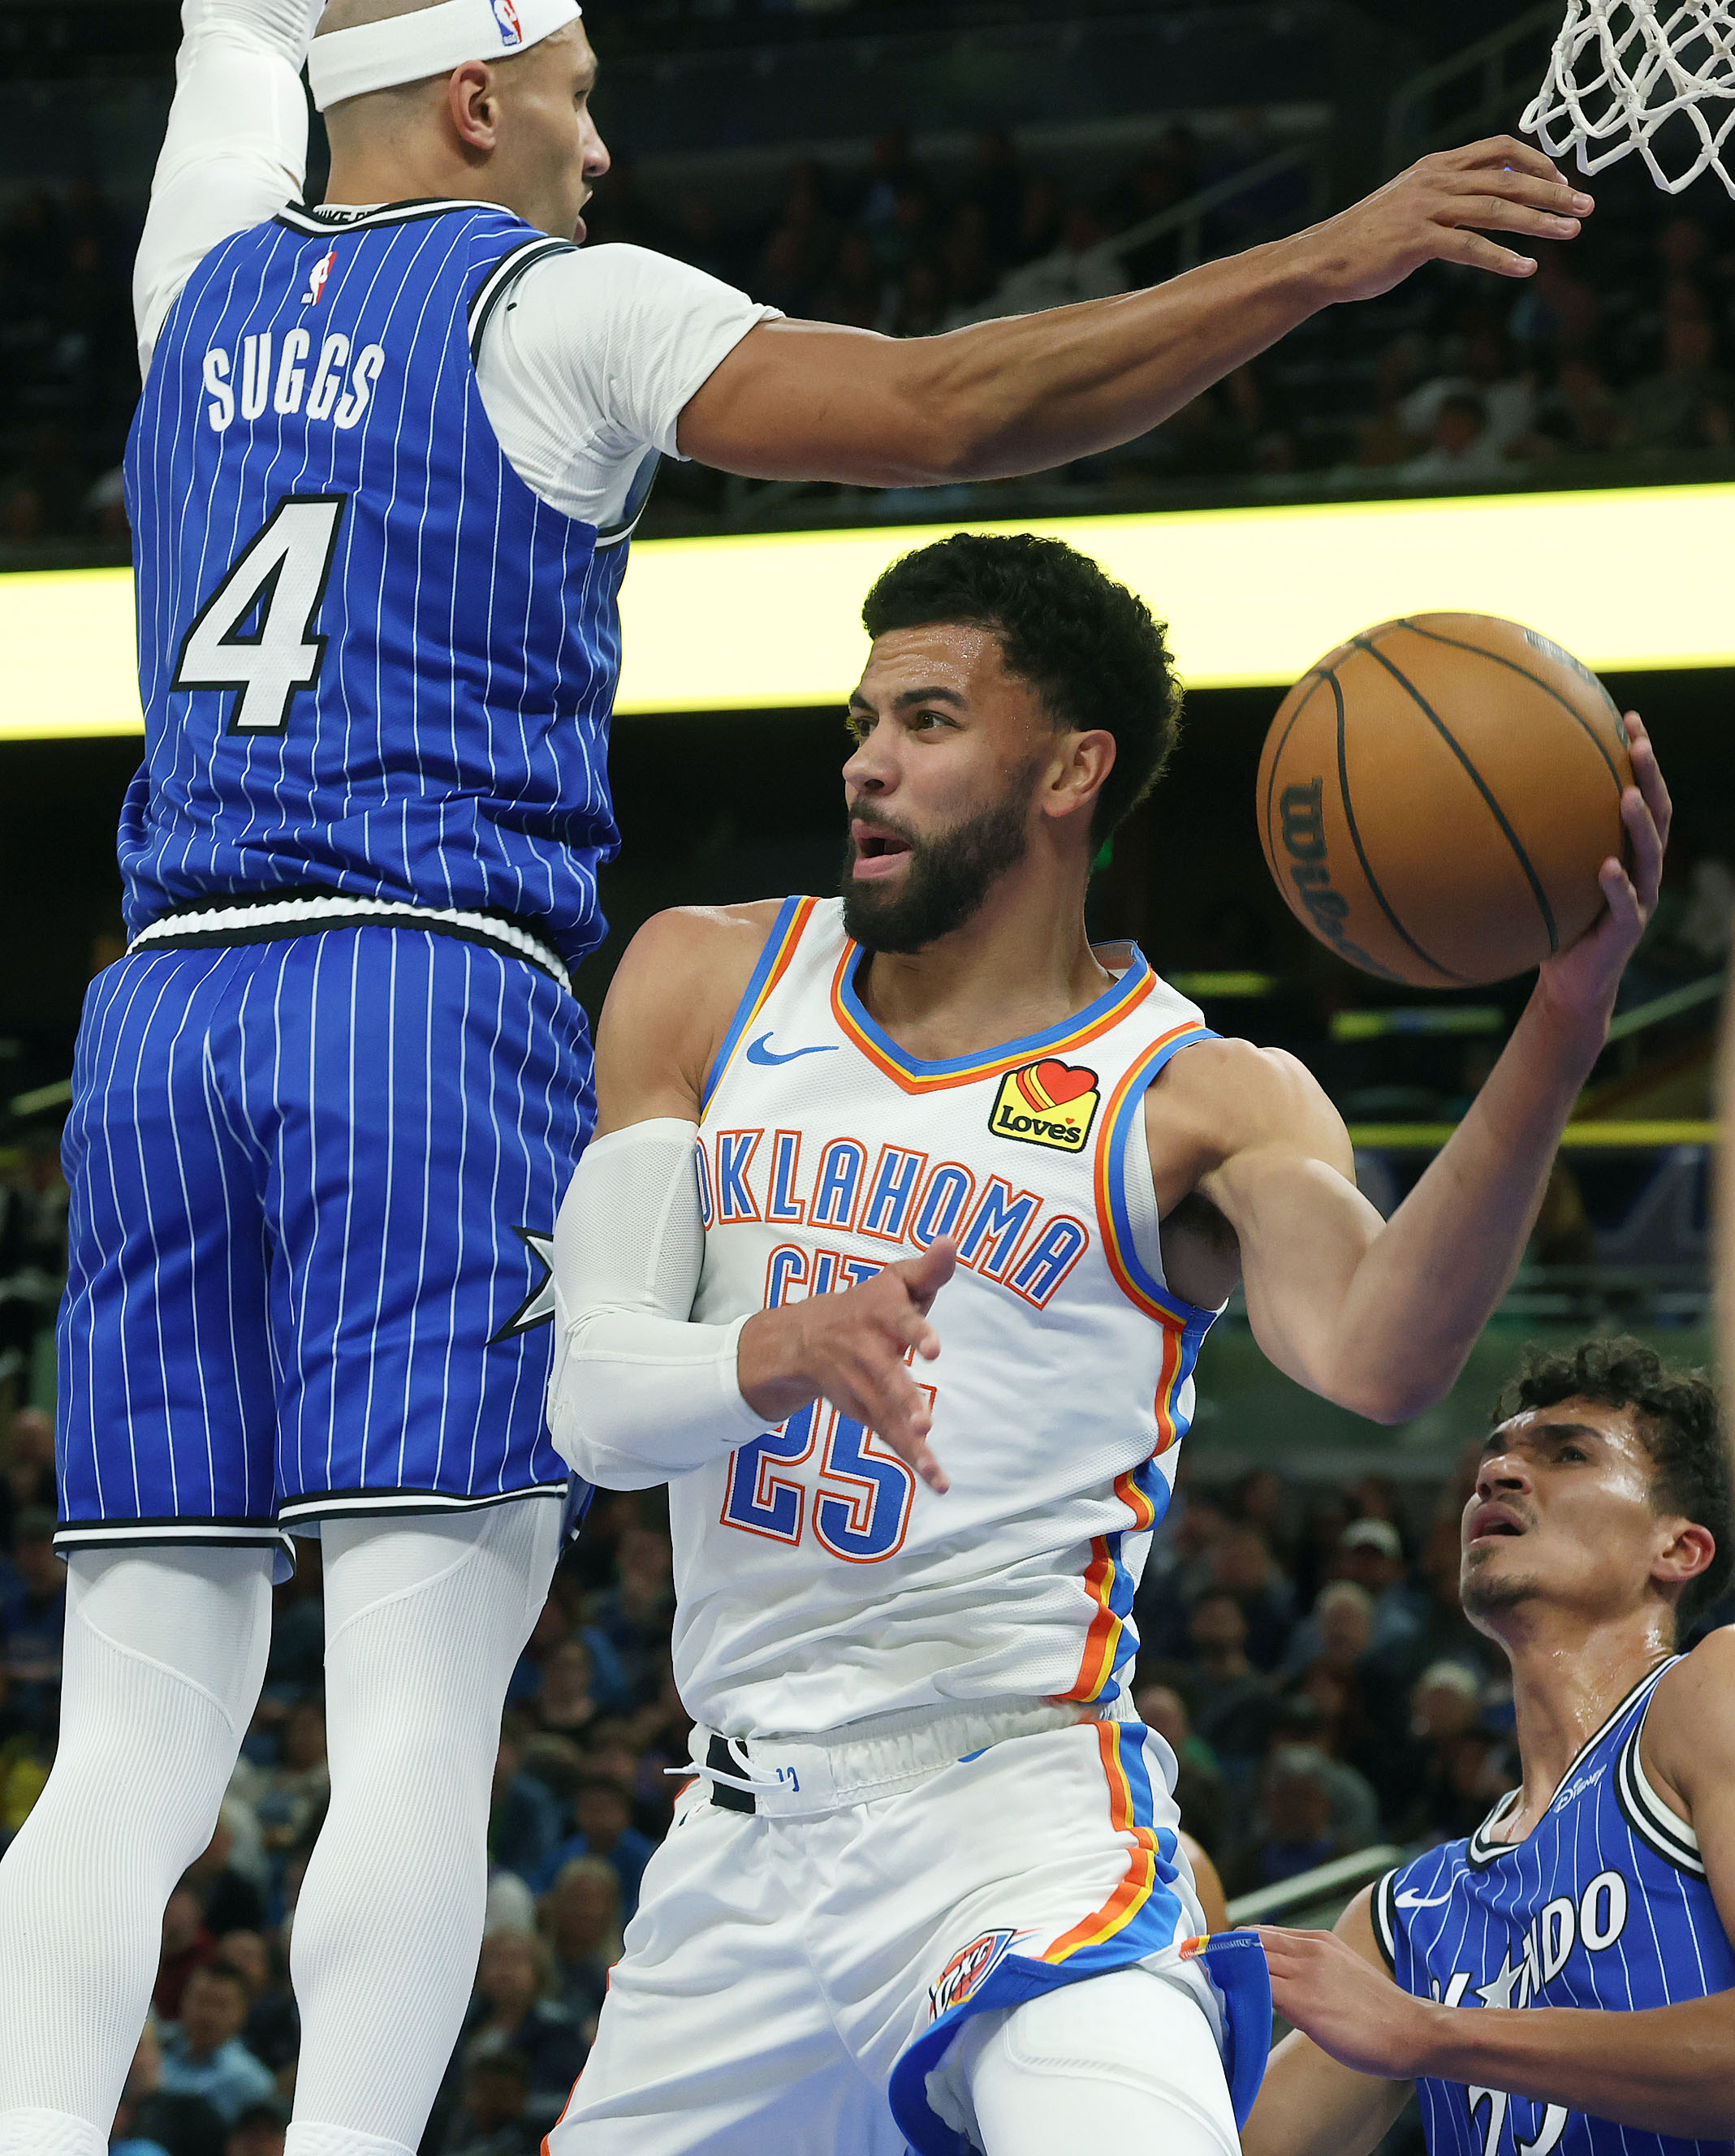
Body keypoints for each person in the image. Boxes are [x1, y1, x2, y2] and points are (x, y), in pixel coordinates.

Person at [0, 3, 1604, 2154]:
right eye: (580, 97)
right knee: (406, 1721)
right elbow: (950, 401)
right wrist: (1330, 255)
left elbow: (234, 34)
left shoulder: (186, 282)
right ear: (479, 99)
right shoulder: (559, 317)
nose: (598, 150)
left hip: (160, 1006)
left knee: (122, 1746)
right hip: (423, 995)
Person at [538, 528, 1667, 2154]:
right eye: (861, 721)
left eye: (926, 722)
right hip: (735, 1838)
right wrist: (779, 1350)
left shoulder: (1199, 1094)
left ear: (1070, 767)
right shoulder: (709, 977)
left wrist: (1560, 1022)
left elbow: (1376, 1351)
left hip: (1019, 1809)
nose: (868, 762)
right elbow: (596, 1401)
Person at [1244, 1338, 1735, 2156]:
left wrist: (1439, 2034)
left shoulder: (1707, 1690)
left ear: (1677, 1549)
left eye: (1568, 1454)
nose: (1495, 1475)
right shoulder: (1408, 1913)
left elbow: (1417, 2033)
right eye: (1494, 1456)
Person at [158, 1965, 278, 2126]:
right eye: (201, 2000)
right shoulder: (156, 2049)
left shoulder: (251, 2081)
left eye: (221, 2005)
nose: (207, 2014)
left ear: (243, 2012)